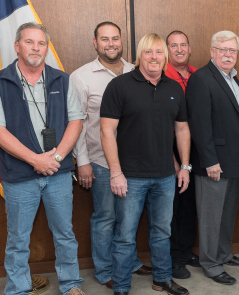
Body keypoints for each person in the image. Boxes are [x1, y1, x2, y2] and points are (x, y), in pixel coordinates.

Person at [100, 33, 190, 295]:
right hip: (130, 177)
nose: (154, 57)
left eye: (159, 52)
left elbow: (182, 130)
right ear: (140, 55)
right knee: (125, 236)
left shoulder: (174, 88)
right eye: (148, 52)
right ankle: (122, 287)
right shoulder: (119, 86)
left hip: (165, 176)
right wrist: (115, 173)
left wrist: (184, 166)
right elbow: (107, 131)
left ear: (165, 56)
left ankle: (162, 278)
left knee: (162, 232)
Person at [0, 22, 85, 295]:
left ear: (47, 48)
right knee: (18, 240)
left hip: (58, 174)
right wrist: (35, 160)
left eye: (41, 43)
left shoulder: (62, 79)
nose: (36, 48)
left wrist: (56, 157)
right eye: (29, 42)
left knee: (65, 235)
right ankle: (17, 289)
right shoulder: (1, 82)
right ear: (16, 46)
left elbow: (76, 121)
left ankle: (71, 284)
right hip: (18, 175)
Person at [71, 21, 151, 290]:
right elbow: (76, 122)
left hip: (135, 162)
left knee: (130, 218)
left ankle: (128, 263)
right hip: (101, 161)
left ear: (122, 41)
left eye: (115, 38)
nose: (111, 44)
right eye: (104, 39)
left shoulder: (136, 70)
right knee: (106, 218)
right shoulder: (81, 77)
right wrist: (82, 161)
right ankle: (106, 270)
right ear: (95, 43)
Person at [186, 30, 239, 285]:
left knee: (227, 214)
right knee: (211, 217)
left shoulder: (233, 78)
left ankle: (223, 253)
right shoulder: (202, 78)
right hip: (214, 163)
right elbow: (200, 126)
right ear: (212, 51)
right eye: (222, 49)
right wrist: (210, 161)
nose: (227, 54)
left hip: (233, 161)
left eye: (232, 50)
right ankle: (211, 263)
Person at [164, 30, 200, 280]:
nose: (179, 49)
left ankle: (187, 251)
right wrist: (174, 159)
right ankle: (174, 257)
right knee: (172, 207)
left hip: (196, 149)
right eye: (173, 45)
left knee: (190, 204)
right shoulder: (161, 77)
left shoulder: (200, 75)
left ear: (190, 48)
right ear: (166, 50)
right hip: (171, 149)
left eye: (183, 45)